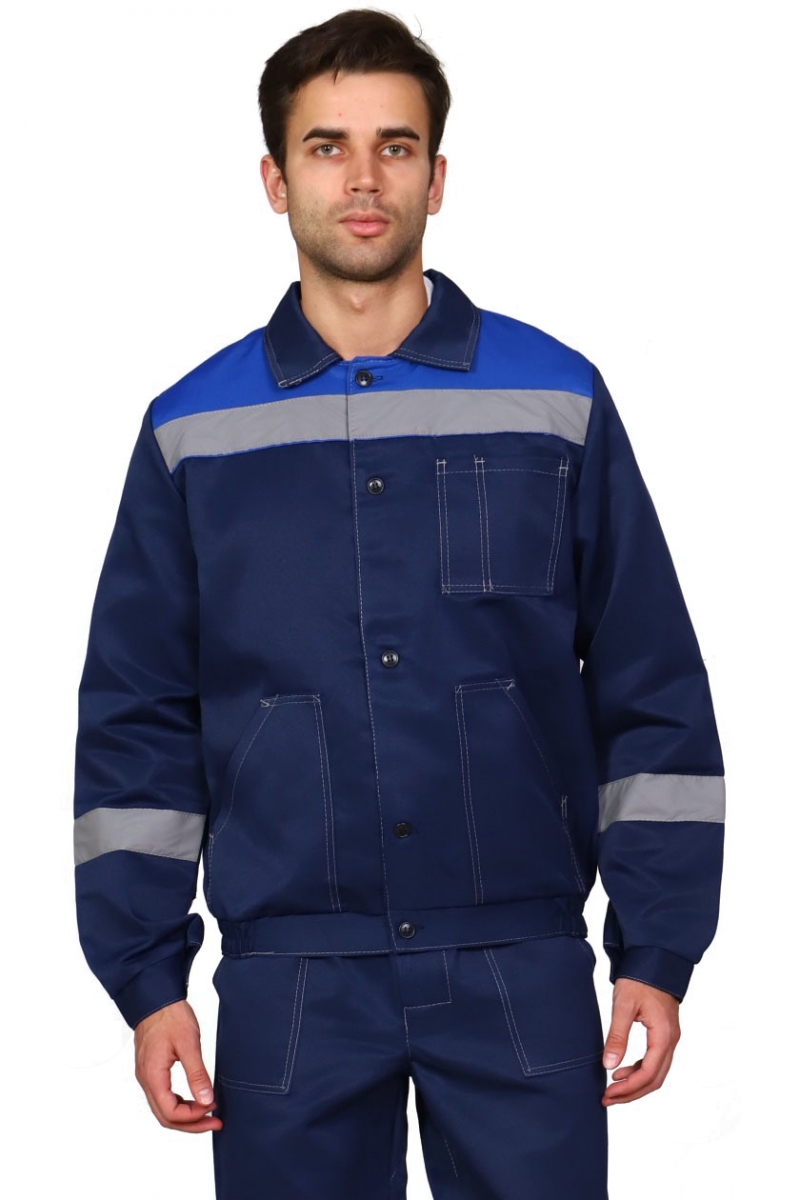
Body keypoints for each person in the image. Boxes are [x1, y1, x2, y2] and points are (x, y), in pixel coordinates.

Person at [72, 9, 726, 1199]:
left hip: (517, 966)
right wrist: (146, 976)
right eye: (326, 147)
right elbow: (137, 718)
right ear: (275, 181)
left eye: (395, 145)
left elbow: (650, 685)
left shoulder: (555, 401)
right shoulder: (191, 432)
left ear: (437, 175)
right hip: (291, 981)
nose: (363, 178)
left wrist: (658, 945)